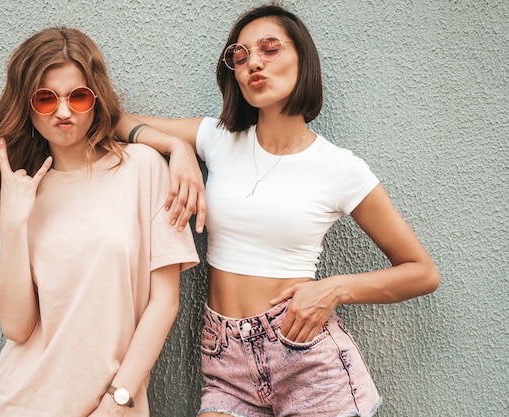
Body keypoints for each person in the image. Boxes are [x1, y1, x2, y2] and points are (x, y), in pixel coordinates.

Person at [116, 4, 440, 417]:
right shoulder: (216, 139)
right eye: (241, 55)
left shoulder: (340, 168)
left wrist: (333, 289)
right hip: (224, 358)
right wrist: (175, 147)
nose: (253, 62)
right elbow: (112, 122)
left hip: (306, 357)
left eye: (270, 49)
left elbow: (421, 272)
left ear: (302, 60)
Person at [0, 27, 198, 417]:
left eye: (77, 96)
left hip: (116, 406)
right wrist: (13, 222)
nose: (64, 112)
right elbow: (16, 327)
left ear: (95, 100)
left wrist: (117, 400)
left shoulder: (144, 168)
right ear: (27, 106)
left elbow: (164, 302)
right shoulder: (23, 188)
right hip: (25, 402)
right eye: (46, 99)